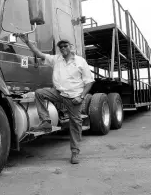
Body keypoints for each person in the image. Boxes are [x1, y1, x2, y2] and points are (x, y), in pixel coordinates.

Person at [17, 34, 94, 164]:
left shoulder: (80, 61)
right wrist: (27, 42)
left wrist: (81, 97)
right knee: (40, 93)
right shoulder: (56, 59)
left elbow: (89, 82)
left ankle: (75, 153)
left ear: (71, 47)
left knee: (75, 124)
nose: (63, 48)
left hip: (74, 98)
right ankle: (46, 121)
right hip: (58, 93)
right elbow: (39, 54)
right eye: (61, 46)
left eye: (65, 46)